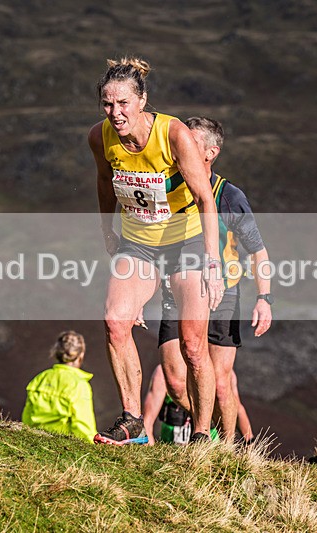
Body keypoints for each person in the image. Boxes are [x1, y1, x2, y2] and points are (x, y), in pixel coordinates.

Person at [88, 57, 225, 445]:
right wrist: (106, 229)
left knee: (193, 345)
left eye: (123, 104)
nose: (115, 113)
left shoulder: (175, 134)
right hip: (139, 241)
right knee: (116, 321)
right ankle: (133, 423)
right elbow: (103, 181)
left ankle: (201, 433)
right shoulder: (100, 137)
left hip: (186, 242)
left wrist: (212, 261)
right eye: (107, 104)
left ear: (142, 100)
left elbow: (204, 198)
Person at [158, 116, 272, 443]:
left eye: (190, 143)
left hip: (223, 294)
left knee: (222, 383)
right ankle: (205, 429)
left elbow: (257, 250)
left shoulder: (229, 196)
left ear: (211, 152)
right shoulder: (170, 186)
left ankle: (222, 446)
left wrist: (265, 299)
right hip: (177, 291)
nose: (181, 150)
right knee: (176, 381)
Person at [143, 364, 254, 445]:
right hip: (171, 446)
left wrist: (250, 443)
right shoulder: (164, 372)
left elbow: (237, 408)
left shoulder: (222, 374)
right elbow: (147, 422)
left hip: (210, 447)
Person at [21, 331, 96, 443]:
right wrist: (93, 446)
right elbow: (83, 425)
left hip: (35, 440)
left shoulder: (40, 378)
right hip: (64, 444)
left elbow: (27, 417)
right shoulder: (79, 385)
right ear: (81, 355)